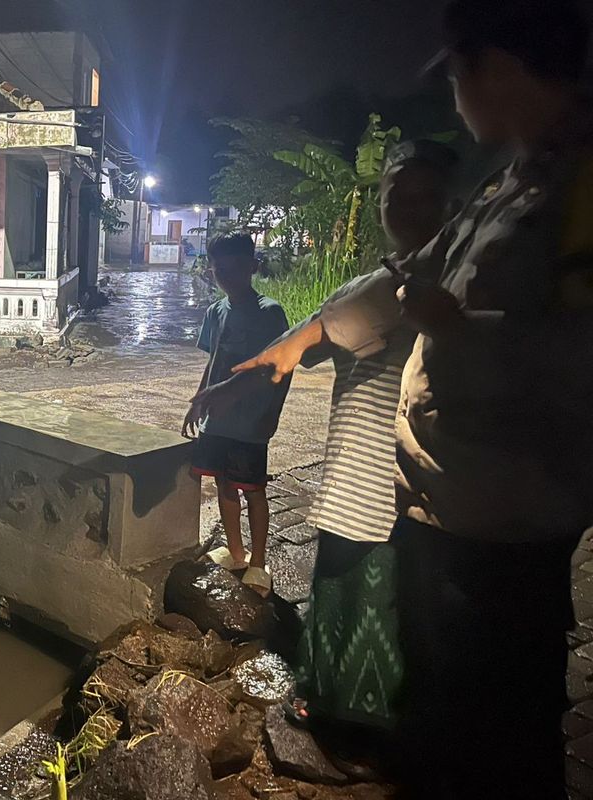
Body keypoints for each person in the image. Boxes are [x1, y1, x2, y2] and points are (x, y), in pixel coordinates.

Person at [230, 1, 593, 796]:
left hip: (505, 538)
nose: (457, 93)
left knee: (497, 741)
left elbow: (567, 367)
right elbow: (399, 284)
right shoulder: (512, 184)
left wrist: (458, 332)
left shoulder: (574, 188)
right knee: (443, 733)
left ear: (497, 66)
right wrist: (298, 341)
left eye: (460, 72)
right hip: (445, 523)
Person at [193, 140, 460, 754]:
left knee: (377, 587)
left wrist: (257, 378)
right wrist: (216, 394)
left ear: (457, 204)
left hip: (398, 471)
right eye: (398, 194)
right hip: (352, 463)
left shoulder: (444, 281)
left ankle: (361, 731)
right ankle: (332, 699)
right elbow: (295, 346)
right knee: (340, 577)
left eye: (428, 196)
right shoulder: (377, 282)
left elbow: (295, 343)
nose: (410, 207)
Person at [182, 233, 291, 595]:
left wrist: (272, 414)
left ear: (252, 267)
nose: (226, 275)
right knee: (224, 484)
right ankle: (236, 551)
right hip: (218, 421)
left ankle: (258, 563)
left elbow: (282, 368)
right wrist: (198, 401)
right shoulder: (215, 312)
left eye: (235, 268)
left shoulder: (269, 312)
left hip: (250, 421)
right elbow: (213, 362)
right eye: (219, 270)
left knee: (254, 490)